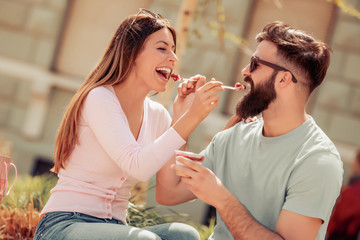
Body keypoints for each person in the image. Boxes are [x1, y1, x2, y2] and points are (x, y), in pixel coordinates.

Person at [34, 8, 225, 240]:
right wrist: (192, 117)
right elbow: (137, 166)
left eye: (173, 51)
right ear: (131, 53)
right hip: (64, 224)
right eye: (162, 48)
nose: (173, 58)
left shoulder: (158, 115)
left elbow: (170, 193)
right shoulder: (99, 98)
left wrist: (183, 115)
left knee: (184, 235)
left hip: (115, 227)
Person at [156, 21, 344, 240]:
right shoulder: (235, 136)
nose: (245, 71)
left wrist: (222, 199)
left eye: (255, 64)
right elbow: (169, 193)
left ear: (283, 79)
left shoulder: (317, 160)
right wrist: (183, 116)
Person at [327, 150, 360, 240]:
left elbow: (340, 219)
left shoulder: (353, 193)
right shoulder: (352, 188)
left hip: (342, 235)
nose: (351, 164)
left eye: (354, 160)